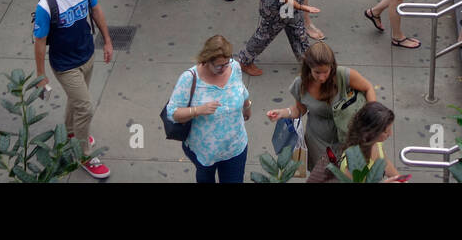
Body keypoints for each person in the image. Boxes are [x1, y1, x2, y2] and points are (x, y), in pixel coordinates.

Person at [32, 0, 112, 179]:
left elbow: (96, 11)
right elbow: (39, 42)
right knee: (85, 107)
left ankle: (70, 133)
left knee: (78, 100)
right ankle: (84, 155)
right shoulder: (46, 6)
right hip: (65, 65)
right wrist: (41, 75)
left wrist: (107, 41)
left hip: (87, 54)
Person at [265, 41, 379, 170]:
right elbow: (300, 109)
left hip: (347, 138)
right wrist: (282, 113)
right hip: (317, 142)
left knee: (348, 174)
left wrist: (372, 116)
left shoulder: (342, 75)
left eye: (326, 71)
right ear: (309, 68)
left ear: (332, 66)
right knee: (322, 175)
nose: (322, 77)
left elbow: (368, 87)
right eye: (317, 72)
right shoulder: (301, 84)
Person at [165, 34, 251, 183]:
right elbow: (172, 113)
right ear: (206, 60)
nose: (224, 68)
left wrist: (247, 105)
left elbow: (241, 89)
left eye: (226, 63)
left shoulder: (234, 67)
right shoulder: (189, 78)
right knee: (205, 178)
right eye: (219, 65)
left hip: (235, 147)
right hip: (204, 151)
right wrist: (198, 110)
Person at [306, 100, 401, 182]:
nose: (390, 134)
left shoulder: (376, 144)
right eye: (386, 131)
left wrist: (401, 180)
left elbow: (387, 165)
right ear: (372, 132)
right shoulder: (352, 164)